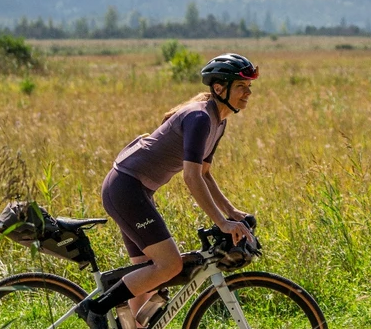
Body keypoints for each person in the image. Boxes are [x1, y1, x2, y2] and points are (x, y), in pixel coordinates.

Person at [79, 53, 259, 329]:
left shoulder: (218, 122)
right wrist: (221, 222)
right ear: (219, 88)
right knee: (170, 265)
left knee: (148, 281)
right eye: (241, 87)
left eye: (249, 87)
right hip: (126, 189)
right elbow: (191, 177)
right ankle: (95, 308)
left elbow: (205, 174)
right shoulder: (199, 118)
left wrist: (232, 212)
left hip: (137, 192)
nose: (248, 93)